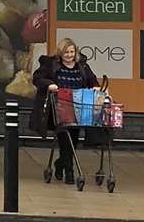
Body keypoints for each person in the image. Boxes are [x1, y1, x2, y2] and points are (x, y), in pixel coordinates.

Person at [30, 38, 98, 185]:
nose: (69, 55)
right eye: (66, 52)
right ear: (60, 53)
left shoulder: (82, 66)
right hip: (58, 108)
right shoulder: (51, 64)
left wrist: (95, 88)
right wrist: (50, 84)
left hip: (77, 108)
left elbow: (93, 81)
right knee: (64, 136)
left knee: (72, 140)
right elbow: (37, 78)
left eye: (72, 52)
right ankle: (70, 172)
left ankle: (60, 164)